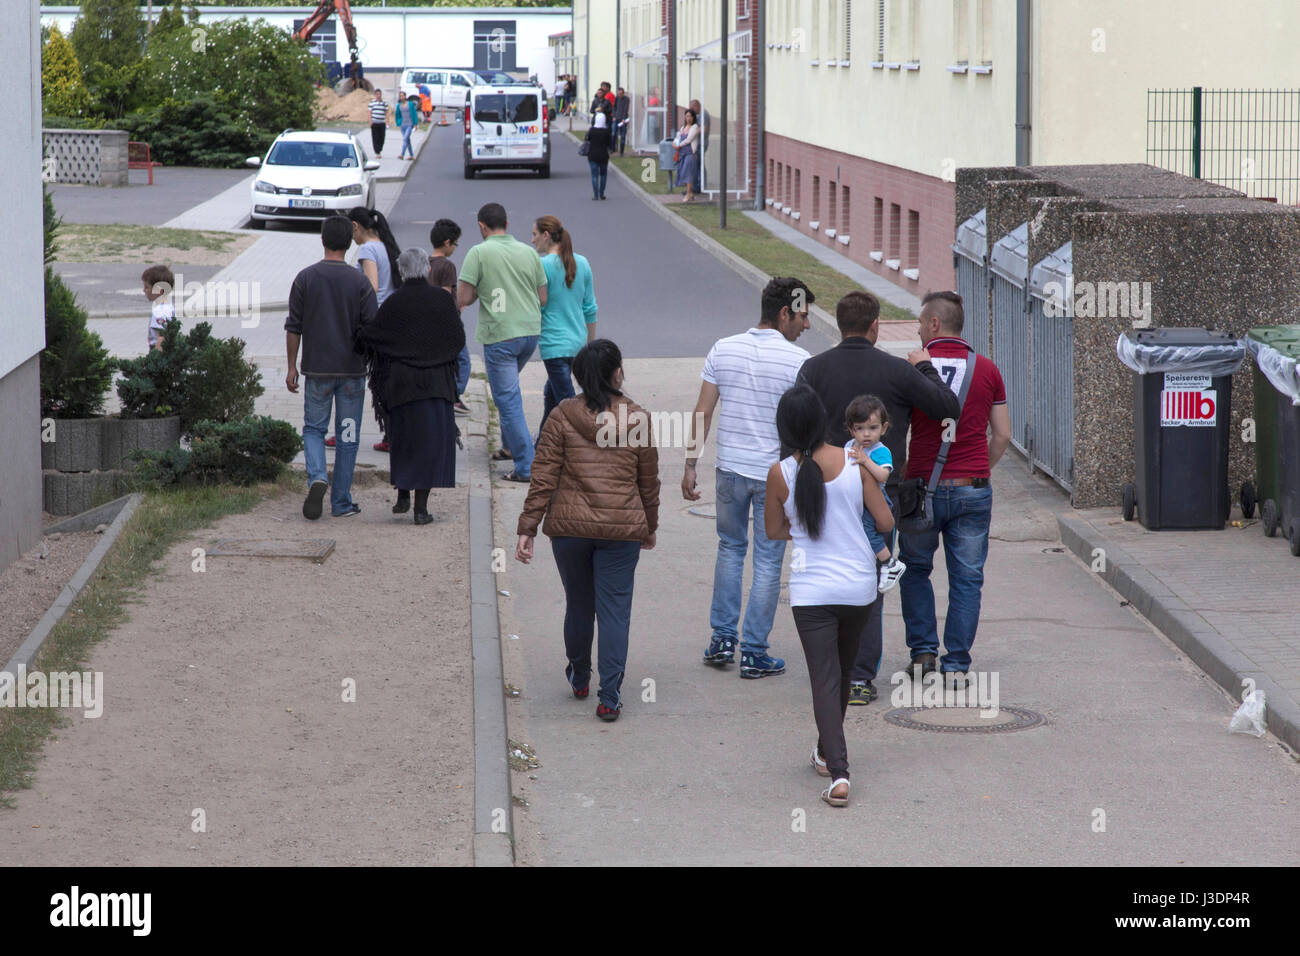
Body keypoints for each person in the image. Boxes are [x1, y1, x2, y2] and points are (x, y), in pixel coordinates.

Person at [796, 289, 961, 705]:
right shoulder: (894, 370)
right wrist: (925, 368)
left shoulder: (813, 369)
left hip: (823, 490)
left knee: (823, 575)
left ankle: (829, 668)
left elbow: (796, 423)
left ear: (838, 323)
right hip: (878, 496)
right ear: (875, 327)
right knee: (869, 582)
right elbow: (948, 407)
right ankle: (859, 677)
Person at [515, 339, 659, 722]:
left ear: (578, 377)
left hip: (569, 530)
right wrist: (649, 526)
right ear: (617, 373)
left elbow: (542, 475)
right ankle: (609, 697)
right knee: (614, 613)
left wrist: (528, 527)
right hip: (622, 529)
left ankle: (579, 675)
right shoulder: (639, 419)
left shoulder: (562, 415)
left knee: (579, 604)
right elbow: (649, 483)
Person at [765, 384, 895, 807]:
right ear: (822, 419)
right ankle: (826, 753)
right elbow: (885, 519)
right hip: (859, 586)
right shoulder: (854, 463)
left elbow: (773, 530)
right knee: (840, 671)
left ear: (784, 427)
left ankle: (839, 773)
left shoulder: (780, 473)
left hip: (811, 591)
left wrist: (803, 531)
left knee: (825, 677)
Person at [683, 277, 814, 679]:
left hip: (729, 471)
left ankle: (722, 639)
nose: (806, 326)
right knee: (769, 561)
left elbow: (702, 411)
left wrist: (690, 464)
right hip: (775, 476)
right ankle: (754, 652)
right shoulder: (799, 361)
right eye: (803, 316)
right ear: (784, 313)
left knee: (730, 548)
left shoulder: (724, 348)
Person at [900, 291, 1011, 687]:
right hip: (972, 488)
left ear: (933, 325)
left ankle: (923, 654)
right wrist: (979, 468)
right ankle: (956, 665)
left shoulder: (912, 369)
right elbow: (1002, 435)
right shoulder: (987, 369)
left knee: (915, 570)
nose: (917, 329)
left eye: (919, 322)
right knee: (966, 579)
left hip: (921, 490)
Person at [354, 248, 465, 525]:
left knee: (403, 441)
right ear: (427, 268)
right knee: (429, 445)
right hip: (436, 384)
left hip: (401, 385)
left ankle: (403, 496)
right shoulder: (442, 299)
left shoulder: (394, 303)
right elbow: (457, 339)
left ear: (401, 272)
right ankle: (421, 509)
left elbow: (375, 337)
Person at [285, 215, 377, 520]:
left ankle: (317, 477)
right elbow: (372, 328)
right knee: (348, 435)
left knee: (313, 429)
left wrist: (291, 367)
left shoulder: (305, 278)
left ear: (323, 240)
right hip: (352, 373)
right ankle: (341, 502)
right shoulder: (360, 281)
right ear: (350, 242)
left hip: (317, 371)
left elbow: (293, 327)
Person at [457, 202, 548, 483]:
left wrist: (483, 293)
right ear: (507, 225)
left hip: (500, 336)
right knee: (508, 392)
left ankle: (526, 466)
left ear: (482, 227)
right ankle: (509, 447)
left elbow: (463, 298)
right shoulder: (528, 252)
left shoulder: (479, 253)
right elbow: (543, 297)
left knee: (507, 401)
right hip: (529, 333)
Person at [531, 215, 596, 429]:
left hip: (554, 345)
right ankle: (540, 450)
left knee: (568, 406)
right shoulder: (583, 263)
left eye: (535, 235)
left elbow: (536, 304)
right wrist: (589, 346)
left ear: (546, 235)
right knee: (552, 398)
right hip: (578, 344)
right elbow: (590, 308)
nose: (533, 240)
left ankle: (584, 451)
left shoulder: (542, 266)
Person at [844, 395, 906, 590]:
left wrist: (865, 461)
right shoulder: (849, 446)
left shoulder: (880, 451)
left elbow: (883, 476)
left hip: (876, 501)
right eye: (860, 429)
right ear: (851, 429)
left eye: (873, 428)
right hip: (857, 500)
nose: (866, 434)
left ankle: (889, 563)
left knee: (866, 529)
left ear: (884, 428)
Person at [429, 218, 471, 416]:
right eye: (455, 244)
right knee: (463, 361)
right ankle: (453, 395)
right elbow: (445, 296)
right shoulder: (447, 266)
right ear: (447, 243)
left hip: (432, 324)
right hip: (448, 324)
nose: (455, 248)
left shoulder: (426, 264)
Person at [141, 264, 175, 351]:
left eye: (147, 287)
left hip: (157, 351)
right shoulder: (166, 306)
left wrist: (156, 361)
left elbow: (161, 338)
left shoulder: (161, 310)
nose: (144, 290)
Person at [585, 104, 613, 200]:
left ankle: (595, 195)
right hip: (603, 155)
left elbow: (587, 139)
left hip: (592, 155)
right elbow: (610, 143)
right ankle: (602, 193)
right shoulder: (606, 131)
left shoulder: (591, 130)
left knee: (594, 175)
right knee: (603, 174)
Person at [673, 109, 700, 202]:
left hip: (690, 154)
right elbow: (678, 137)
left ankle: (688, 194)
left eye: (690, 116)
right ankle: (691, 193)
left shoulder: (695, 127)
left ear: (693, 117)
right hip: (682, 154)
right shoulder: (683, 127)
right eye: (687, 116)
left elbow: (689, 139)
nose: (688, 118)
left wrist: (678, 145)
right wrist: (674, 143)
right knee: (683, 172)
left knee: (688, 174)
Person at [368, 89, 389, 158]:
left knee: (382, 138)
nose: (378, 96)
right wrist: (370, 121)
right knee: (375, 138)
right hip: (374, 123)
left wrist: (387, 122)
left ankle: (380, 149)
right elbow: (369, 113)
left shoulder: (384, 103)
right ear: (375, 95)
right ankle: (377, 152)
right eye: (377, 94)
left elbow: (386, 113)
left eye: (379, 94)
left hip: (382, 123)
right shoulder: (372, 103)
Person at [395, 91, 416, 161]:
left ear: (405, 96)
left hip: (409, 124)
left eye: (402, 96)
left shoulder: (410, 104)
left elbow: (414, 114)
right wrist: (398, 123)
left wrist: (415, 124)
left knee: (405, 139)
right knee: (407, 140)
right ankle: (412, 155)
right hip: (403, 125)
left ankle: (402, 154)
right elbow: (397, 115)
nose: (401, 97)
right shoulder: (399, 105)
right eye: (400, 96)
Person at [613, 86, 631, 154]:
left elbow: (625, 109)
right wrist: (614, 116)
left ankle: (621, 151)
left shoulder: (626, 99)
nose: (619, 95)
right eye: (618, 93)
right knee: (614, 133)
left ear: (623, 93)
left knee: (623, 135)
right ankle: (615, 148)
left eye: (620, 94)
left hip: (623, 119)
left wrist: (623, 118)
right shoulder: (616, 98)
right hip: (616, 118)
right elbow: (614, 107)